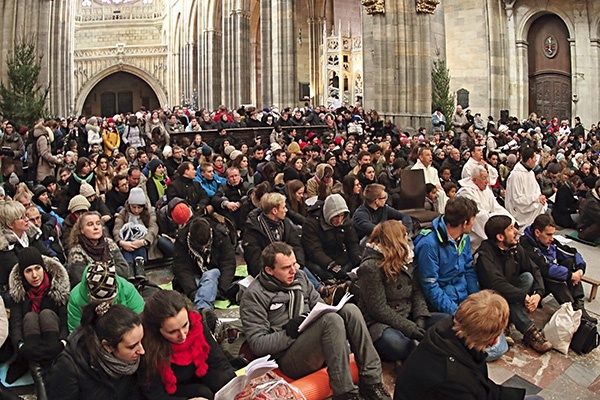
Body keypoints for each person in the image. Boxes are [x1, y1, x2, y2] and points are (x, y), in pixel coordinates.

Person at [240, 242, 391, 400]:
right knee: (330, 320)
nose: (293, 271)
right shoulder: (254, 295)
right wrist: (291, 332)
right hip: (286, 358)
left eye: (294, 264)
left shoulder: (300, 277)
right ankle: (345, 394)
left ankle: (371, 382)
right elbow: (258, 344)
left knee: (350, 310)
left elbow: (318, 306)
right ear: (269, 270)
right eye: (286, 268)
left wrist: (306, 320)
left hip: (312, 340)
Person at [395, 290, 544, 400]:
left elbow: (480, 385)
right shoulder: (454, 380)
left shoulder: (445, 329)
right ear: (492, 341)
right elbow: (469, 385)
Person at [357, 220, 447, 362]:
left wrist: (420, 318)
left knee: (447, 322)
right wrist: (409, 328)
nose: (407, 239)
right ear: (395, 239)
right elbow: (378, 309)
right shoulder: (370, 267)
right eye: (404, 236)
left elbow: (417, 291)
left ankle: (424, 352)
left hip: (409, 313)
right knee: (398, 345)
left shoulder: (406, 258)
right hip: (382, 323)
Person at [476, 215, 552, 354]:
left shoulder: (515, 247)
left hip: (511, 291)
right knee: (506, 298)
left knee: (527, 278)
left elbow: (533, 268)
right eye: (511, 229)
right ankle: (530, 331)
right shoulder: (485, 254)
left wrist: (537, 294)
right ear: (500, 237)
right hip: (492, 297)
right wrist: (523, 297)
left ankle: (506, 322)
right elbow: (497, 284)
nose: (516, 231)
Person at [140, 290, 235, 400]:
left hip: (200, 374)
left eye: (185, 325)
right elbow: (154, 394)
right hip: (172, 390)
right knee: (203, 393)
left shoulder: (196, 326)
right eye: (172, 332)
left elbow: (219, 362)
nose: (183, 335)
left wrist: (236, 387)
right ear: (157, 330)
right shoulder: (147, 346)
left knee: (222, 380)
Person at [6, 247, 70, 400]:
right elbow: (15, 324)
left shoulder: (57, 288)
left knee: (47, 314)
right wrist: (21, 345)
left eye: (37, 268)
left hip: (54, 340)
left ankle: (49, 370)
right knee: (29, 317)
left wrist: (61, 342)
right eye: (28, 271)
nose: (34, 275)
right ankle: (39, 376)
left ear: (44, 268)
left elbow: (64, 321)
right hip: (30, 340)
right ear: (22, 274)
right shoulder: (19, 293)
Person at [48, 303, 145, 400]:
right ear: (108, 346)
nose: (142, 351)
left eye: (141, 341)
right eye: (132, 346)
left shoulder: (133, 360)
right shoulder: (69, 367)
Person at [521, 214, 596, 323]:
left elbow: (572, 253)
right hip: (535, 285)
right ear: (537, 233)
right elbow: (544, 268)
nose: (552, 238)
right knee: (554, 277)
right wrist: (570, 275)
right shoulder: (525, 245)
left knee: (569, 262)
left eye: (553, 234)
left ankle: (579, 307)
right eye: (549, 235)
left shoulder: (548, 241)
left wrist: (580, 270)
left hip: (545, 277)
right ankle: (571, 310)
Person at [413, 197, 479, 316]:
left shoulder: (464, 238)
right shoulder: (428, 244)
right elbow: (430, 286)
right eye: (473, 221)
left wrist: (476, 301)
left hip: (464, 298)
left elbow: (469, 270)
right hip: (442, 305)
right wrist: (457, 312)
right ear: (464, 224)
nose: (474, 224)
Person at [173, 215, 237, 309]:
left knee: (210, 275)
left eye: (206, 244)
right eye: (200, 245)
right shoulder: (182, 239)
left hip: (214, 273)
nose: (204, 248)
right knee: (207, 285)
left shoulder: (220, 235)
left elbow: (228, 262)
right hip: (194, 276)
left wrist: (221, 289)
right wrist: (192, 291)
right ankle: (205, 307)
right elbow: (182, 268)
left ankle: (202, 307)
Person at [302, 194, 361, 284]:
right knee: (323, 272)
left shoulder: (345, 220)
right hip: (319, 260)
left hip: (337, 254)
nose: (339, 220)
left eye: (342, 216)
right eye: (336, 216)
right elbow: (314, 251)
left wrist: (358, 261)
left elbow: (352, 242)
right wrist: (333, 267)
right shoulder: (311, 223)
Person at [0, 201, 53, 294]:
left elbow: (47, 254)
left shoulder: (32, 235)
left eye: (26, 216)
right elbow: (19, 271)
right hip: (16, 291)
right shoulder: (5, 247)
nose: (27, 219)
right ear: (10, 224)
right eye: (21, 218)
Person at [456, 165, 511, 250]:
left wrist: (509, 219)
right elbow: (478, 215)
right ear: (475, 180)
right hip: (476, 234)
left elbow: (496, 207)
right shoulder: (466, 192)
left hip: (491, 219)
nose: (487, 181)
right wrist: (497, 222)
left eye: (487, 178)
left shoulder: (486, 190)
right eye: (484, 178)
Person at [113, 187, 160, 277]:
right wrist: (121, 242)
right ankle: (129, 267)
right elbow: (117, 228)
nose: (136, 210)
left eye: (139, 207)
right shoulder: (124, 213)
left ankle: (140, 267)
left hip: (144, 242)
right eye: (133, 207)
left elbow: (153, 227)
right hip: (127, 241)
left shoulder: (149, 212)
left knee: (140, 249)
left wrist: (144, 241)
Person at [505, 147, 547, 233]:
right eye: (535, 158)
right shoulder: (515, 175)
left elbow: (537, 190)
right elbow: (516, 199)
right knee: (539, 205)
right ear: (530, 159)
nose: (536, 161)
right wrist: (536, 198)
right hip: (519, 209)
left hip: (530, 204)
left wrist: (540, 197)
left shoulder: (531, 173)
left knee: (541, 205)